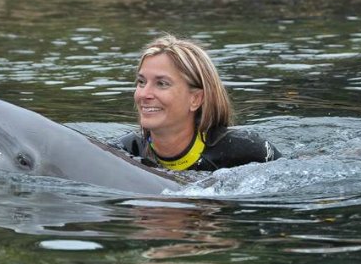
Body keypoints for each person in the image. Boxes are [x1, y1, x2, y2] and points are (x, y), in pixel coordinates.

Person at [118, 34, 281, 171]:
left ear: (196, 99)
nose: (144, 94)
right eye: (141, 82)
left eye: (162, 84)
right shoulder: (126, 151)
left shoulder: (245, 151)